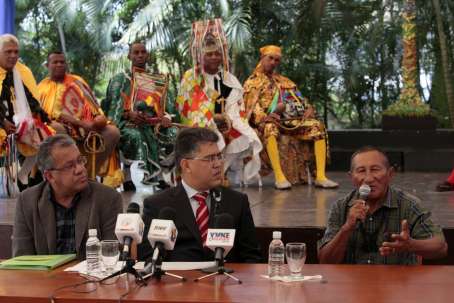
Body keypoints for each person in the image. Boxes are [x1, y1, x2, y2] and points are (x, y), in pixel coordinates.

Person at [138, 127, 262, 263]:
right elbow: (148, 260)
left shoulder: (237, 202)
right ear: (186, 165)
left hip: (226, 281)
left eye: (219, 156)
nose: (218, 164)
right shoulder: (158, 206)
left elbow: (252, 258)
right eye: (209, 158)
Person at [318, 146, 447, 264]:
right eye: (361, 171)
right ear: (351, 177)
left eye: (375, 169)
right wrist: (346, 228)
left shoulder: (409, 205)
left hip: (398, 285)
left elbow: (441, 247)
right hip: (354, 286)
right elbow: (325, 260)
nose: (368, 178)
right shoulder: (341, 207)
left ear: (390, 174)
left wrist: (411, 245)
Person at [176, 19, 262, 185]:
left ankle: (221, 171)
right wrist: (213, 119)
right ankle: (211, 175)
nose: (214, 57)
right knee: (212, 133)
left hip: (225, 121)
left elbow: (234, 106)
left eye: (217, 53)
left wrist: (228, 119)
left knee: (244, 134)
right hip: (199, 122)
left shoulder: (228, 78)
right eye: (209, 54)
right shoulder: (191, 77)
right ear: (201, 56)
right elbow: (188, 107)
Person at [12, 134, 123, 259]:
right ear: (50, 176)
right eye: (70, 166)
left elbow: (112, 257)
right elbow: (22, 260)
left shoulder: (108, 198)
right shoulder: (27, 201)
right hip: (45, 278)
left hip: (91, 277)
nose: (80, 169)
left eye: (80, 160)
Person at [243, 45, 338, 189]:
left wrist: (308, 108)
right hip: (268, 122)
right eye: (271, 58)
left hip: (290, 121)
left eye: (277, 60)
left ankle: (320, 176)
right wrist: (266, 117)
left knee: (316, 126)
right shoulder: (252, 82)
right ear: (262, 58)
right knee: (270, 128)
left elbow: (300, 99)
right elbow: (250, 107)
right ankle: (280, 178)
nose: (274, 62)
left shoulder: (284, 81)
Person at [38, 51, 122, 187]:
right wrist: (80, 124)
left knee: (112, 132)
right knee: (54, 128)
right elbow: (47, 116)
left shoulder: (77, 81)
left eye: (62, 62)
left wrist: (94, 121)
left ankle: (88, 176)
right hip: (63, 127)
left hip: (88, 126)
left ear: (67, 64)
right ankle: (66, 178)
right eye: (55, 62)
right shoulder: (42, 87)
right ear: (47, 65)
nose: (59, 64)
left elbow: (93, 106)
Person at [104, 42, 173, 191]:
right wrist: (128, 114)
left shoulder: (154, 80)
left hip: (152, 124)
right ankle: (128, 177)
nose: (140, 55)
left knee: (174, 135)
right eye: (136, 52)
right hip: (125, 124)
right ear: (129, 56)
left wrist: (165, 117)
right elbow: (112, 108)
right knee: (137, 136)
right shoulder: (120, 80)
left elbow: (163, 106)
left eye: (143, 52)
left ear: (147, 55)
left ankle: (159, 176)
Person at [0, 34, 54, 189]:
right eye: (8, 52)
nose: (13, 56)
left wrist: (34, 121)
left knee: (46, 136)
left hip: (19, 121)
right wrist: (3, 122)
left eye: (16, 52)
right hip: (2, 123)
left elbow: (33, 102)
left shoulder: (23, 71)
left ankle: (24, 174)